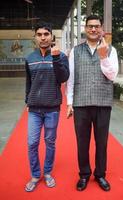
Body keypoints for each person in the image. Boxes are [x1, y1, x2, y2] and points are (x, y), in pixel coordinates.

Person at [66, 15, 119, 192]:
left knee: (101, 142)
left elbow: (112, 76)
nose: (93, 29)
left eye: (96, 26)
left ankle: (100, 174)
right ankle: (84, 174)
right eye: (90, 26)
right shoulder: (76, 50)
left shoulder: (111, 50)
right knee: (82, 141)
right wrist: (69, 102)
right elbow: (71, 78)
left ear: (101, 28)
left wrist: (103, 57)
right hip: (81, 102)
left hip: (103, 102)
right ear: (85, 28)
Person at [25, 21, 69, 192]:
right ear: (35, 37)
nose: (43, 37)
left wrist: (56, 58)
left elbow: (63, 78)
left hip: (52, 108)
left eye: (46, 34)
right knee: (32, 143)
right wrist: (27, 101)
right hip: (34, 109)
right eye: (39, 34)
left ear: (51, 36)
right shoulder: (30, 58)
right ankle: (36, 175)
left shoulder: (61, 56)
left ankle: (48, 172)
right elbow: (28, 83)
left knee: (50, 142)